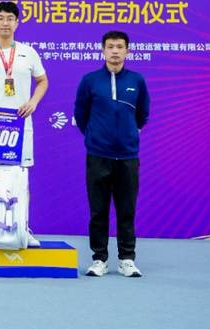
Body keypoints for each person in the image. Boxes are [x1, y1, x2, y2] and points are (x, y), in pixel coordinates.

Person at [0, 1, 48, 247]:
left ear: (17, 23)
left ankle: (23, 228)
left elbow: (43, 81)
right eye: (1, 18)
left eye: (10, 18)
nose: (5, 23)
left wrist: (33, 102)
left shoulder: (28, 52)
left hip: (20, 123)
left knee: (20, 178)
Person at [74, 30, 149, 278]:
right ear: (103, 50)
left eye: (119, 47)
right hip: (98, 155)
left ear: (127, 50)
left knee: (127, 211)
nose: (115, 51)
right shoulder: (90, 80)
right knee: (98, 211)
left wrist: (127, 135)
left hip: (128, 157)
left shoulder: (137, 80)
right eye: (110, 46)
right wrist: (95, 136)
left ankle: (127, 259)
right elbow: (81, 114)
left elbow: (143, 115)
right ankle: (99, 259)